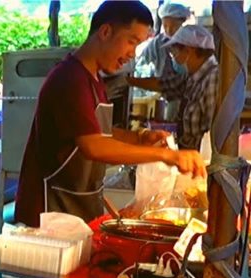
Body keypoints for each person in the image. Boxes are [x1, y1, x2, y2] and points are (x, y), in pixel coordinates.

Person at [16, 0, 206, 230]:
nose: (131, 54)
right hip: (47, 214)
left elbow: (96, 129)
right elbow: (93, 145)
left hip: (75, 206)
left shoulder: (93, 79)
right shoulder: (70, 79)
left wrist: (139, 137)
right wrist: (166, 156)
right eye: (131, 42)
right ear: (105, 32)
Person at [128, 25, 218, 152]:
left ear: (188, 51)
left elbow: (214, 136)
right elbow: (165, 84)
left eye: (174, 53)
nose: (173, 58)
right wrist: (128, 81)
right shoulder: (192, 76)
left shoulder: (212, 79)